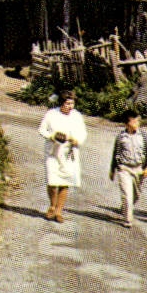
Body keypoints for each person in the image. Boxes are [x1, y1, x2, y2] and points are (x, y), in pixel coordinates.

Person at [37, 91, 87, 223]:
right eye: (67, 103)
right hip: (53, 152)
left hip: (69, 154)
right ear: (61, 103)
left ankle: (59, 211)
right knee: (52, 182)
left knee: (65, 183)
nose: (70, 106)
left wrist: (77, 140)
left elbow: (83, 133)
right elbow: (42, 129)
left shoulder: (77, 116)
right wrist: (51, 136)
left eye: (72, 103)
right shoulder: (51, 114)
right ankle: (52, 206)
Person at [108, 108, 147, 228]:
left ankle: (125, 207)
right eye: (134, 122)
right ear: (127, 123)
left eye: (138, 121)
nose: (137, 124)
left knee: (136, 195)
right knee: (127, 194)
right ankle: (128, 219)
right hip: (124, 168)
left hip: (139, 169)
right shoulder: (121, 137)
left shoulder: (143, 136)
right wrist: (112, 169)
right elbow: (116, 153)